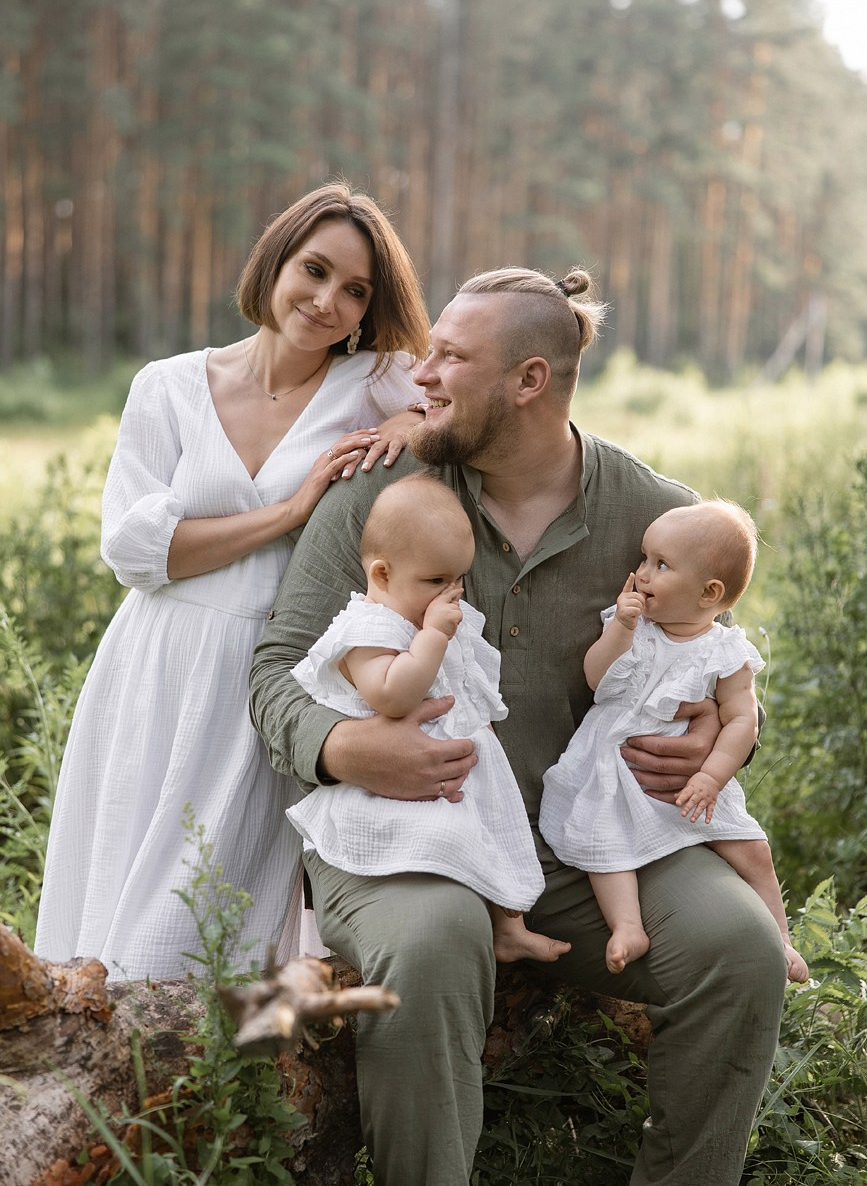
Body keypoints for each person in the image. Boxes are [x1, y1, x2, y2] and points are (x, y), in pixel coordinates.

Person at [249, 265, 787, 1186]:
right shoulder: (380, 496)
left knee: (740, 950)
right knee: (429, 943)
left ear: (529, 380)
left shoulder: (658, 517)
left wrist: (720, 734)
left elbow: (720, 670)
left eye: (450, 358)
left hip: (598, 841)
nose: (420, 375)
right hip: (416, 838)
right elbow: (275, 672)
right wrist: (343, 747)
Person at [34, 182, 431, 981]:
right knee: (123, 867)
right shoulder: (168, 385)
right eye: (314, 270)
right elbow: (138, 553)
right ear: (274, 262)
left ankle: (214, 1045)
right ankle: (91, 1028)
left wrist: (407, 421)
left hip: (272, 668)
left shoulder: (372, 382)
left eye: (355, 291)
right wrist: (290, 511)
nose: (326, 301)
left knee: (219, 893)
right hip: (157, 657)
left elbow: (458, 409)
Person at [286, 472, 570, 964]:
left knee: (495, 835)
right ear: (382, 575)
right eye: (436, 581)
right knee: (447, 843)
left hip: (457, 768)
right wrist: (434, 637)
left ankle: (509, 928)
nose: (450, 594)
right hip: (395, 781)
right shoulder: (368, 629)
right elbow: (392, 695)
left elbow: (462, 683)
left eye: (458, 580)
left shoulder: (421, 616)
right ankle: (437, 913)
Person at [539, 499, 809, 983]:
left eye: (660, 565)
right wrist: (620, 630)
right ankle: (628, 926)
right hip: (616, 766)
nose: (642, 573)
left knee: (753, 849)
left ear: (709, 593)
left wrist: (712, 776)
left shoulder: (725, 651)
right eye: (644, 559)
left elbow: (741, 720)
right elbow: (597, 679)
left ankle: (781, 939)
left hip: (692, 784)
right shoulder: (634, 628)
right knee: (605, 839)